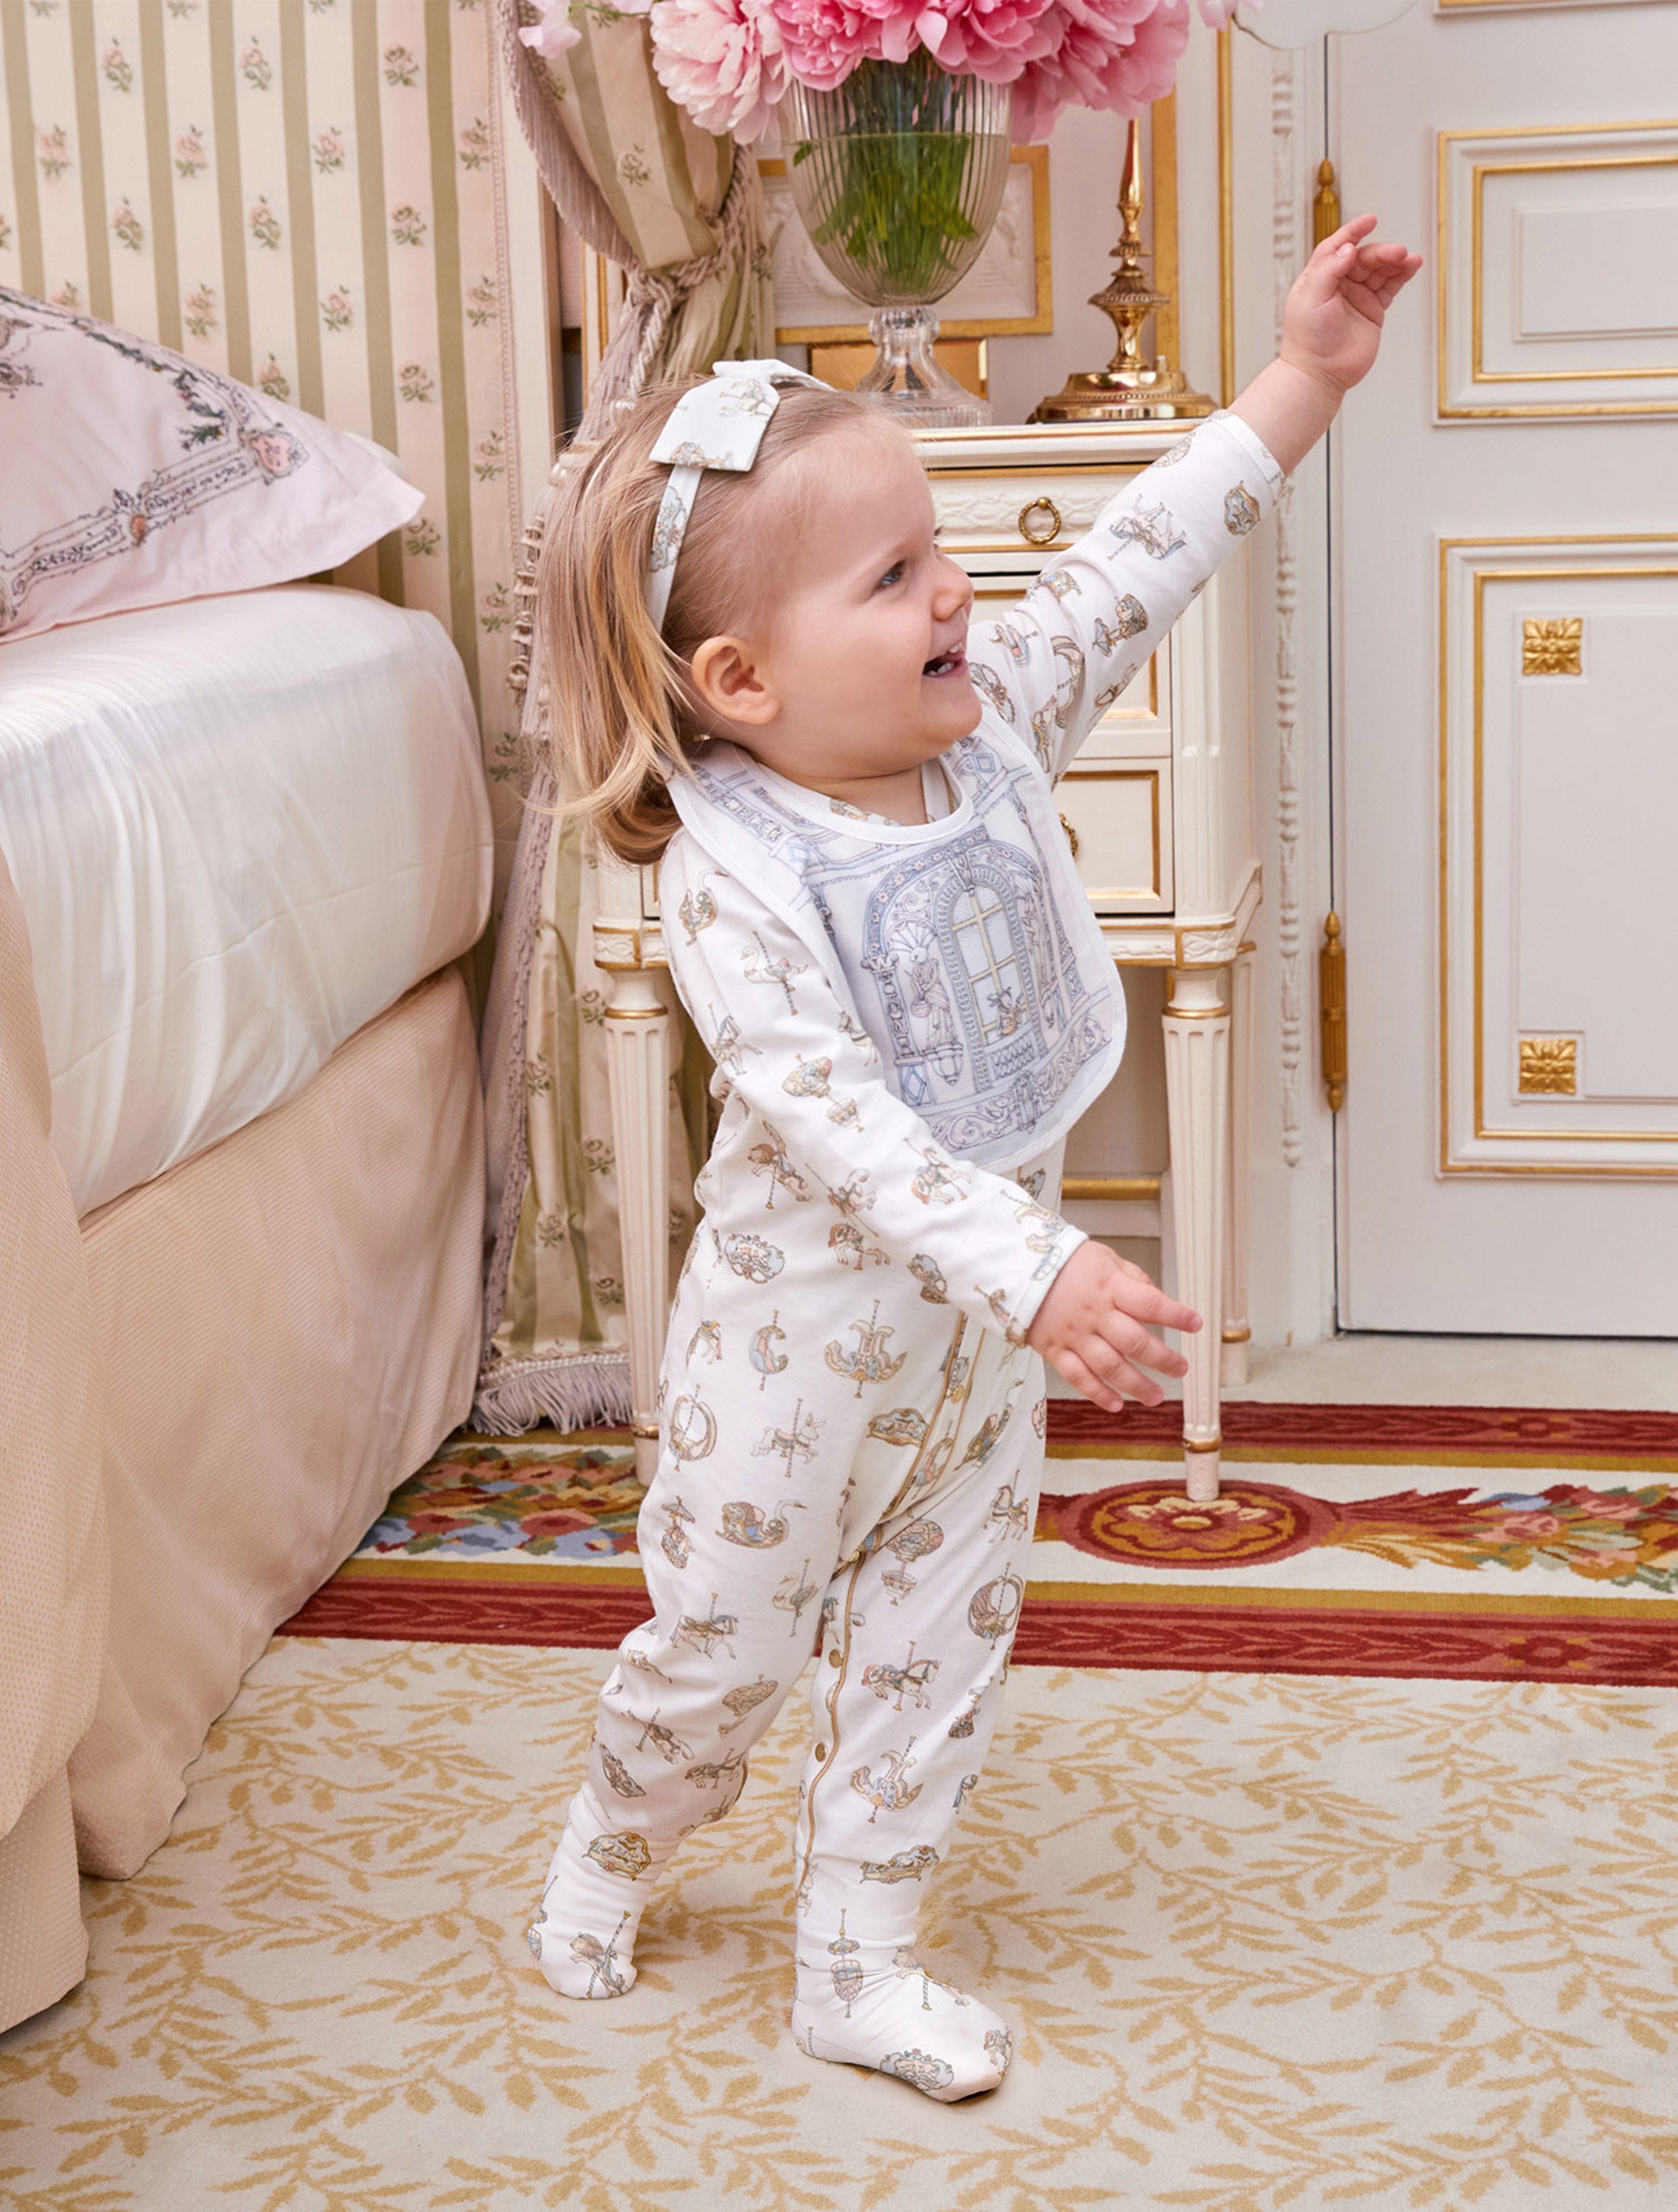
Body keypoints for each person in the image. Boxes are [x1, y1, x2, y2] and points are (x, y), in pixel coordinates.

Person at [523, 214, 1421, 2100]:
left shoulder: (994, 721)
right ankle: (619, 1826)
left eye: (935, 549)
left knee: (933, 1665)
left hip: (975, 1363)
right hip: (789, 1365)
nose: (955, 590)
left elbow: (1138, 557)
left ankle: (857, 1967)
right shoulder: (734, 874)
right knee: (717, 1669)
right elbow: (841, 1123)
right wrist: (1044, 1269)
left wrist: (1303, 378)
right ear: (742, 679)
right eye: (895, 575)